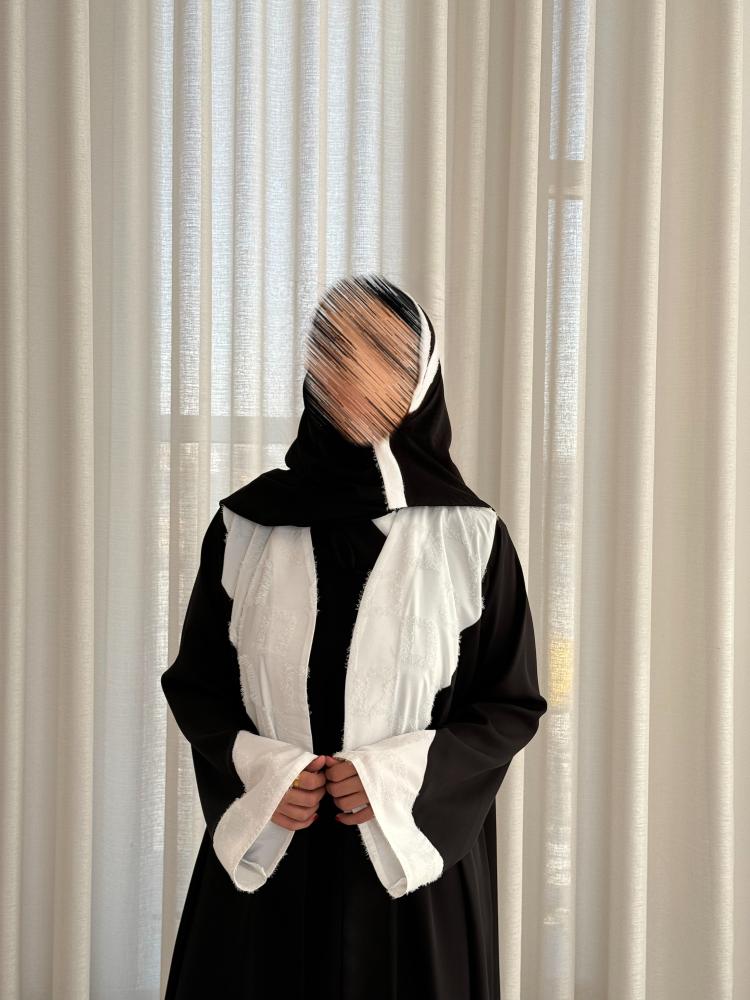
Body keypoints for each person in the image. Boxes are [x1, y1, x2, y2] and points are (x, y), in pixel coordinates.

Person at [160, 273, 548, 999]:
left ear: (420, 377)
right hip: (269, 865)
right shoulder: (244, 527)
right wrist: (264, 777)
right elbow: (198, 686)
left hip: (411, 878)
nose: (352, 368)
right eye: (333, 348)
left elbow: (508, 704)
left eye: (381, 350)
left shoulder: (471, 536)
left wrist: (392, 780)